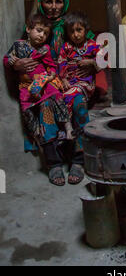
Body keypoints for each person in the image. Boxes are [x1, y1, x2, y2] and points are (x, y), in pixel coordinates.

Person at [3, 13, 74, 186]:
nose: (42, 35)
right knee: (29, 113)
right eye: (39, 31)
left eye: (45, 33)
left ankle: (64, 132)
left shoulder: (45, 50)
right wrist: (14, 63)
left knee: (51, 99)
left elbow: (51, 66)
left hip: (44, 85)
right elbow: (7, 58)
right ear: (28, 29)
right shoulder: (18, 47)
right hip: (27, 87)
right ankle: (50, 148)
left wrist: (49, 75)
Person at [58, 12, 101, 184]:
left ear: (85, 30)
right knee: (65, 96)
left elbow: (103, 62)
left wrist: (91, 63)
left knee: (73, 94)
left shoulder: (92, 46)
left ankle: (69, 129)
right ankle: (70, 130)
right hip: (70, 83)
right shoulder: (66, 47)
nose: (76, 34)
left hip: (85, 84)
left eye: (79, 30)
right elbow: (61, 63)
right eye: (72, 31)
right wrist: (63, 78)